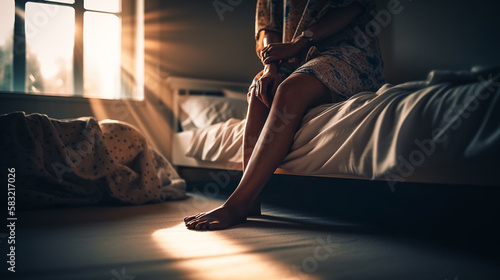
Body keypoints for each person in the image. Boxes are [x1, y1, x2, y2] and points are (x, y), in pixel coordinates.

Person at [184, 0, 385, 230]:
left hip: (348, 51)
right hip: (294, 60)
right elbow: (269, 27)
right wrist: (271, 69)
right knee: (262, 90)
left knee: (289, 91)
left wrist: (301, 41)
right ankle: (250, 199)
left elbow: (354, 6)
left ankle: (236, 204)